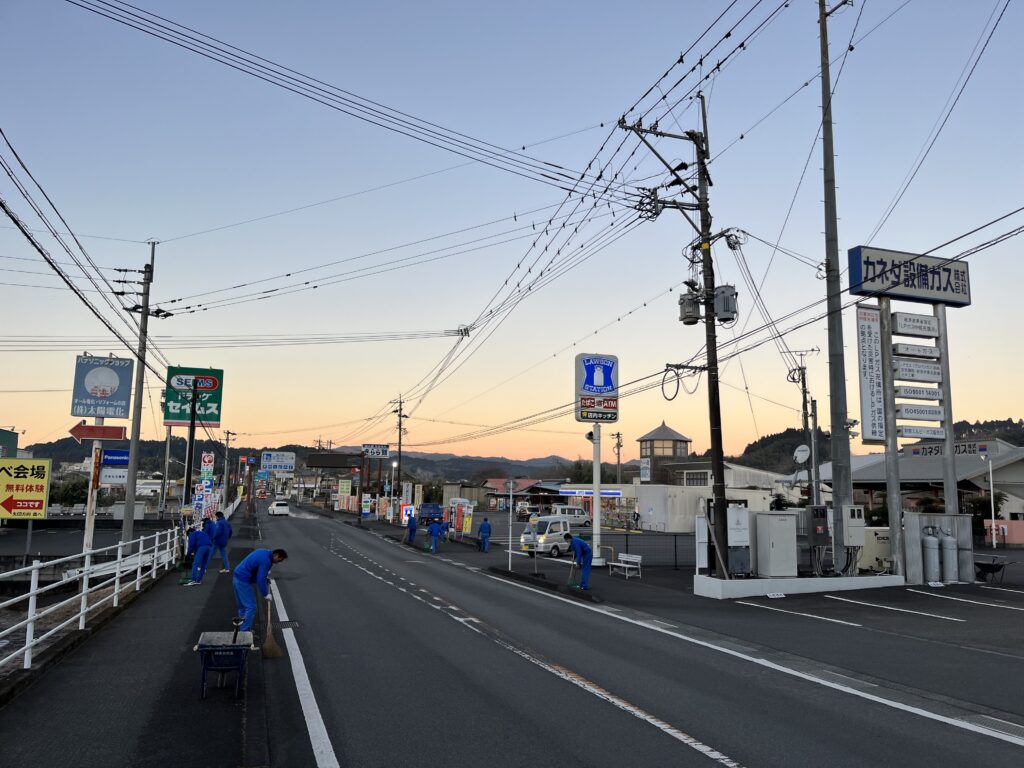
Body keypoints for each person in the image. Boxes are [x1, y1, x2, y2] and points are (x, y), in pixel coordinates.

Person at [233, 548, 288, 632]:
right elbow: (260, 579)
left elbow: (256, 570)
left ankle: (241, 629)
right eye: (279, 560)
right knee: (251, 607)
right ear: (276, 555)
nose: (278, 562)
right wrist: (265, 594)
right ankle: (244, 632)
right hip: (243, 580)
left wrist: (264, 579)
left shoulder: (264, 552)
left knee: (242, 607)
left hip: (236, 576)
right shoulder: (266, 561)